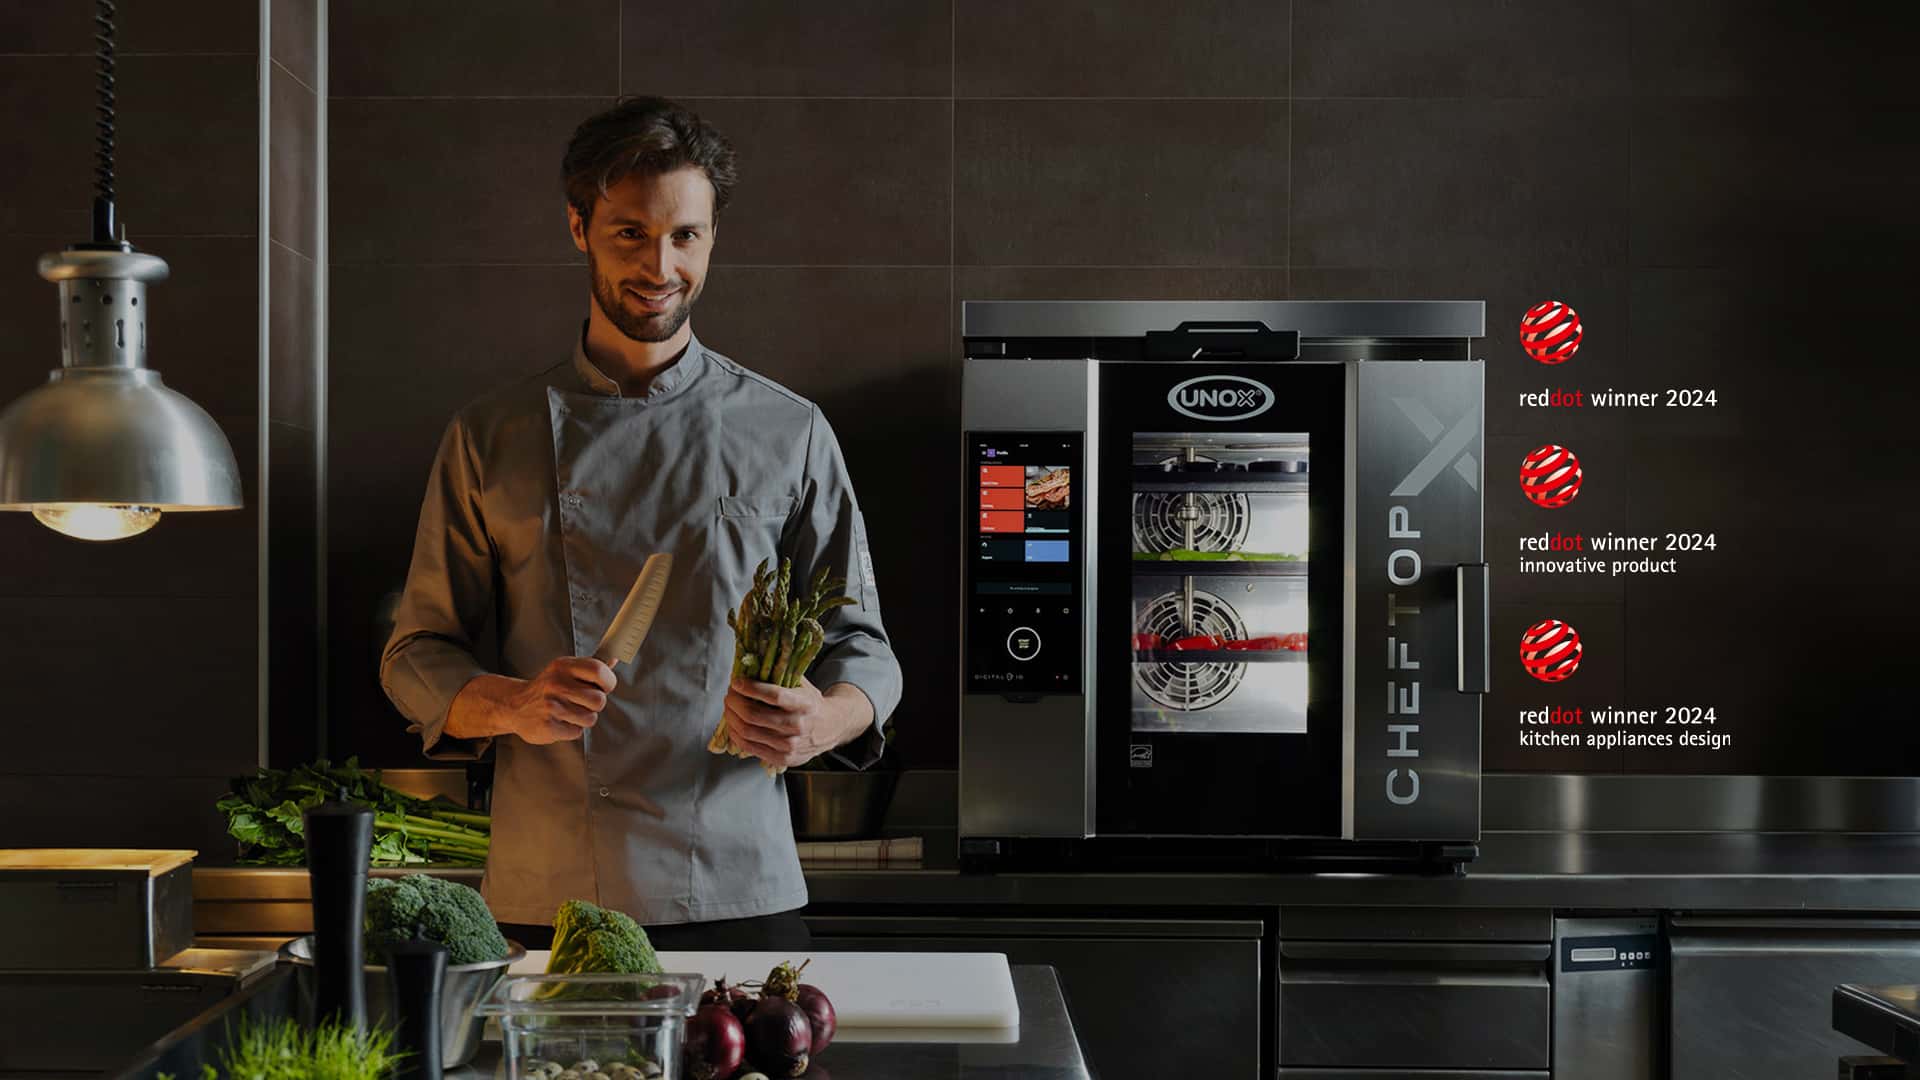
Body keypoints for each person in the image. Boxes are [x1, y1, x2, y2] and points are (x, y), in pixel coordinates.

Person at [379, 96, 902, 951]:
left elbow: (866, 651)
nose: (660, 265)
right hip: (547, 889)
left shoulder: (789, 430)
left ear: (711, 238)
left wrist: (825, 717)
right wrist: (512, 704)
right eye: (630, 234)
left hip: (740, 881)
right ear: (578, 228)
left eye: (685, 236)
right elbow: (415, 654)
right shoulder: (491, 434)